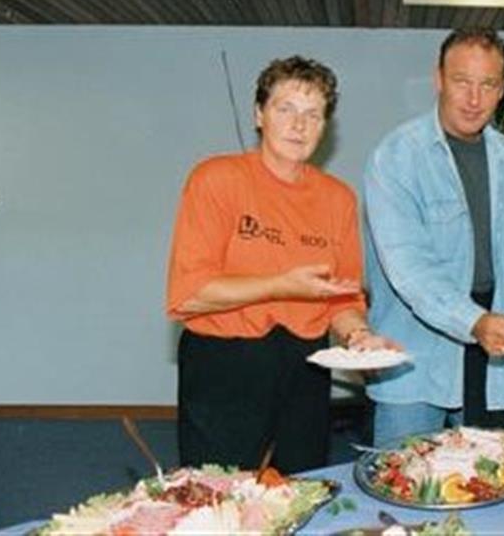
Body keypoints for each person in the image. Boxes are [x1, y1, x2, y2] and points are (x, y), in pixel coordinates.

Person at [166, 56, 394, 472]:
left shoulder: (338, 198)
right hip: (224, 361)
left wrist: (359, 336)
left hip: (307, 365)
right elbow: (191, 294)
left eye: (313, 114)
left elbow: (342, 299)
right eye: (285, 109)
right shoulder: (215, 178)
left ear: (325, 126)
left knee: (301, 485)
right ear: (259, 115)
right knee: (222, 491)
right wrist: (282, 285)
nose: (299, 125)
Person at [363, 27, 504, 444]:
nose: (474, 99)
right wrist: (474, 322)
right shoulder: (396, 156)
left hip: (495, 353)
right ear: (438, 79)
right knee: (405, 476)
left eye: (487, 84)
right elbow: (410, 269)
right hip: (416, 360)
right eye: (462, 81)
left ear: (502, 89)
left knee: (496, 472)